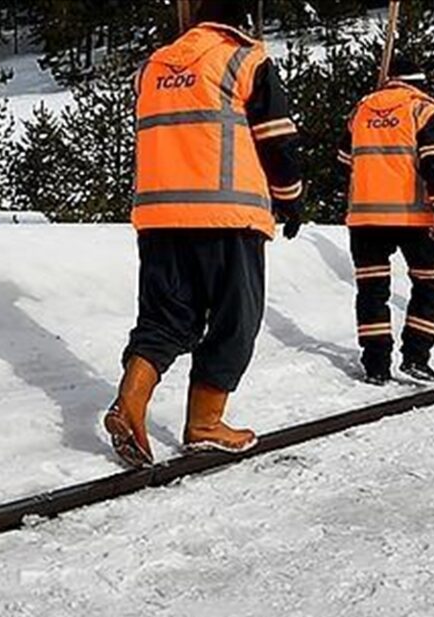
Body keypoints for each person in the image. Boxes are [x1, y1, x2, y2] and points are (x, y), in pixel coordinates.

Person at [104, 0, 304, 469]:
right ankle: (205, 425)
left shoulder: (153, 66)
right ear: (240, 19)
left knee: (165, 317)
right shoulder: (245, 59)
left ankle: (130, 402)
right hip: (227, 215)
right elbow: (277, 139)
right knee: (236, 319)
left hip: (159, 217)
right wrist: (291, 198)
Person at [338, 57, 434, 385]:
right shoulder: (425, 110)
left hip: (365, 216)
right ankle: (416, 357)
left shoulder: (361, 110)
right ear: (420, 83)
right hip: (415, 215)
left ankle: (376, 365)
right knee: (429, 284)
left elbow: (344, 159)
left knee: (372, 290)